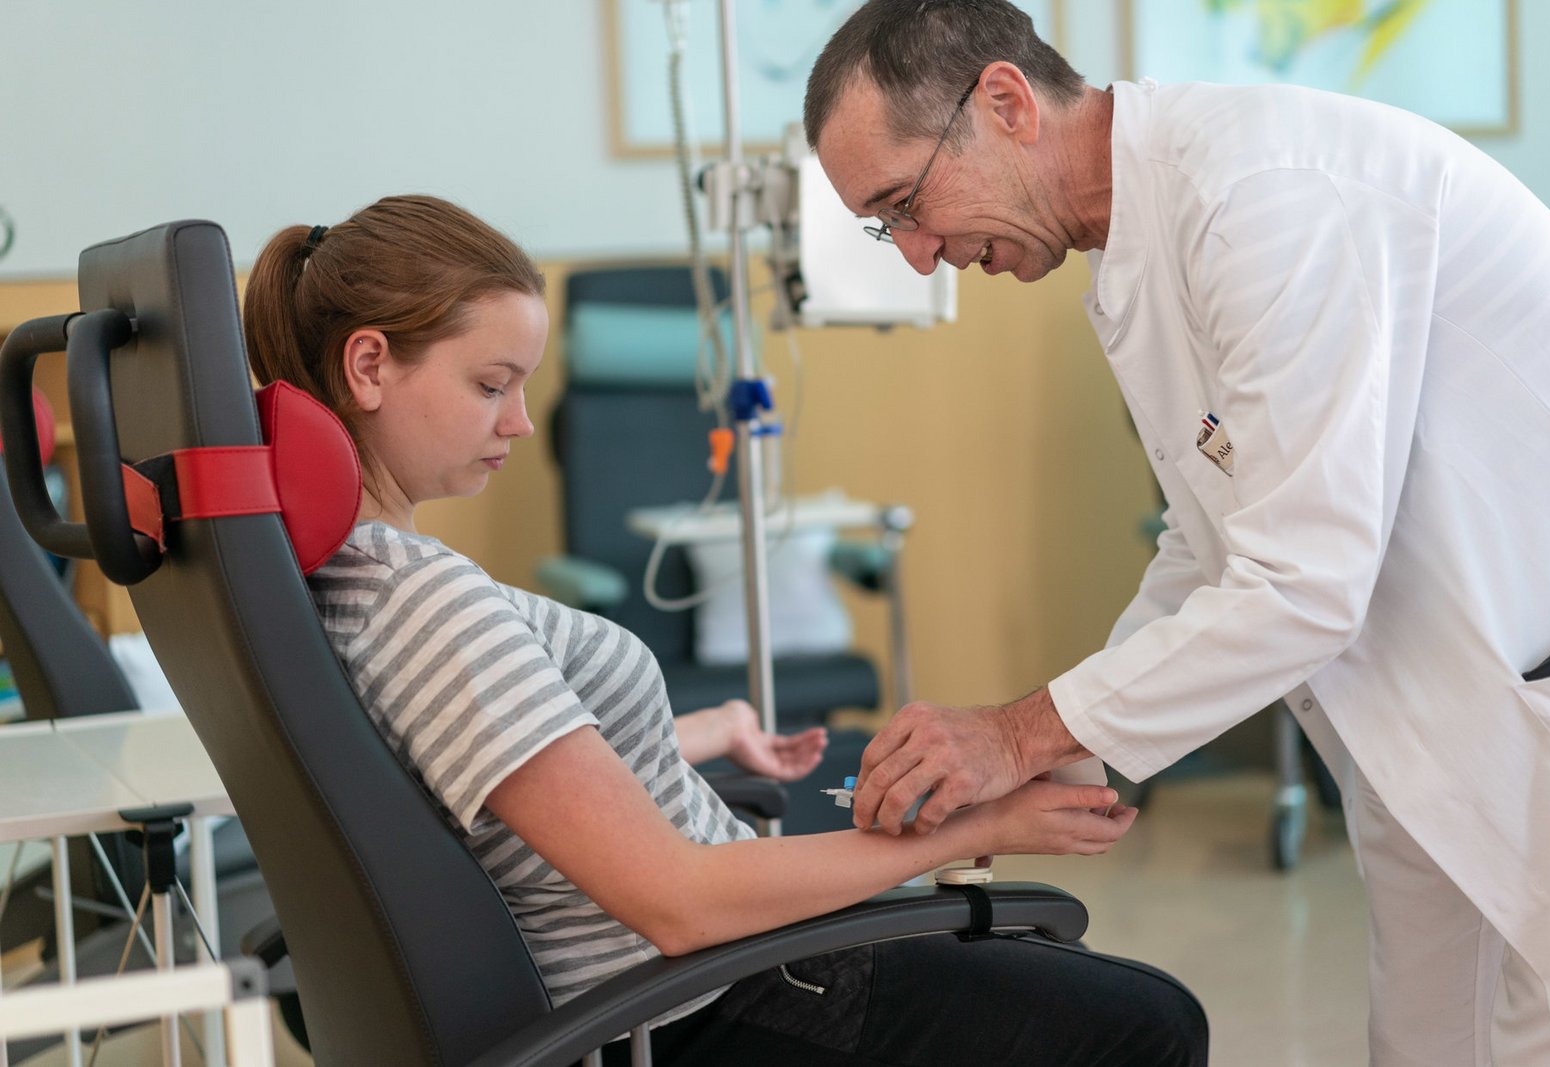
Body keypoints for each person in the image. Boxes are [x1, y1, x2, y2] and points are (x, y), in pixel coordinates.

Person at [803, 2, 1550, 1064]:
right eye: (882, 226)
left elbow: (1302, 583)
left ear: (1003, 103)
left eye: (906, 203)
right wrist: (1076, 747)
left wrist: (1021, 731)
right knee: (1426, 1037)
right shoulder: (1144, 235)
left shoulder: (1267, 197)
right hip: (1433, 729)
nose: (917, 256)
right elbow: (1209, 538)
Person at [240, 194, 1207, 1066]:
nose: (523, 423)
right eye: (492, 384)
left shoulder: (345, 580)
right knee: (1146, 1022)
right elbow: (679, 900)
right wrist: (986, 821)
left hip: (686, 981)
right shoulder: (428, 605)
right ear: (369, 364)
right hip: (704, 1001)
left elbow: (484, 776)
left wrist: (700, 733)